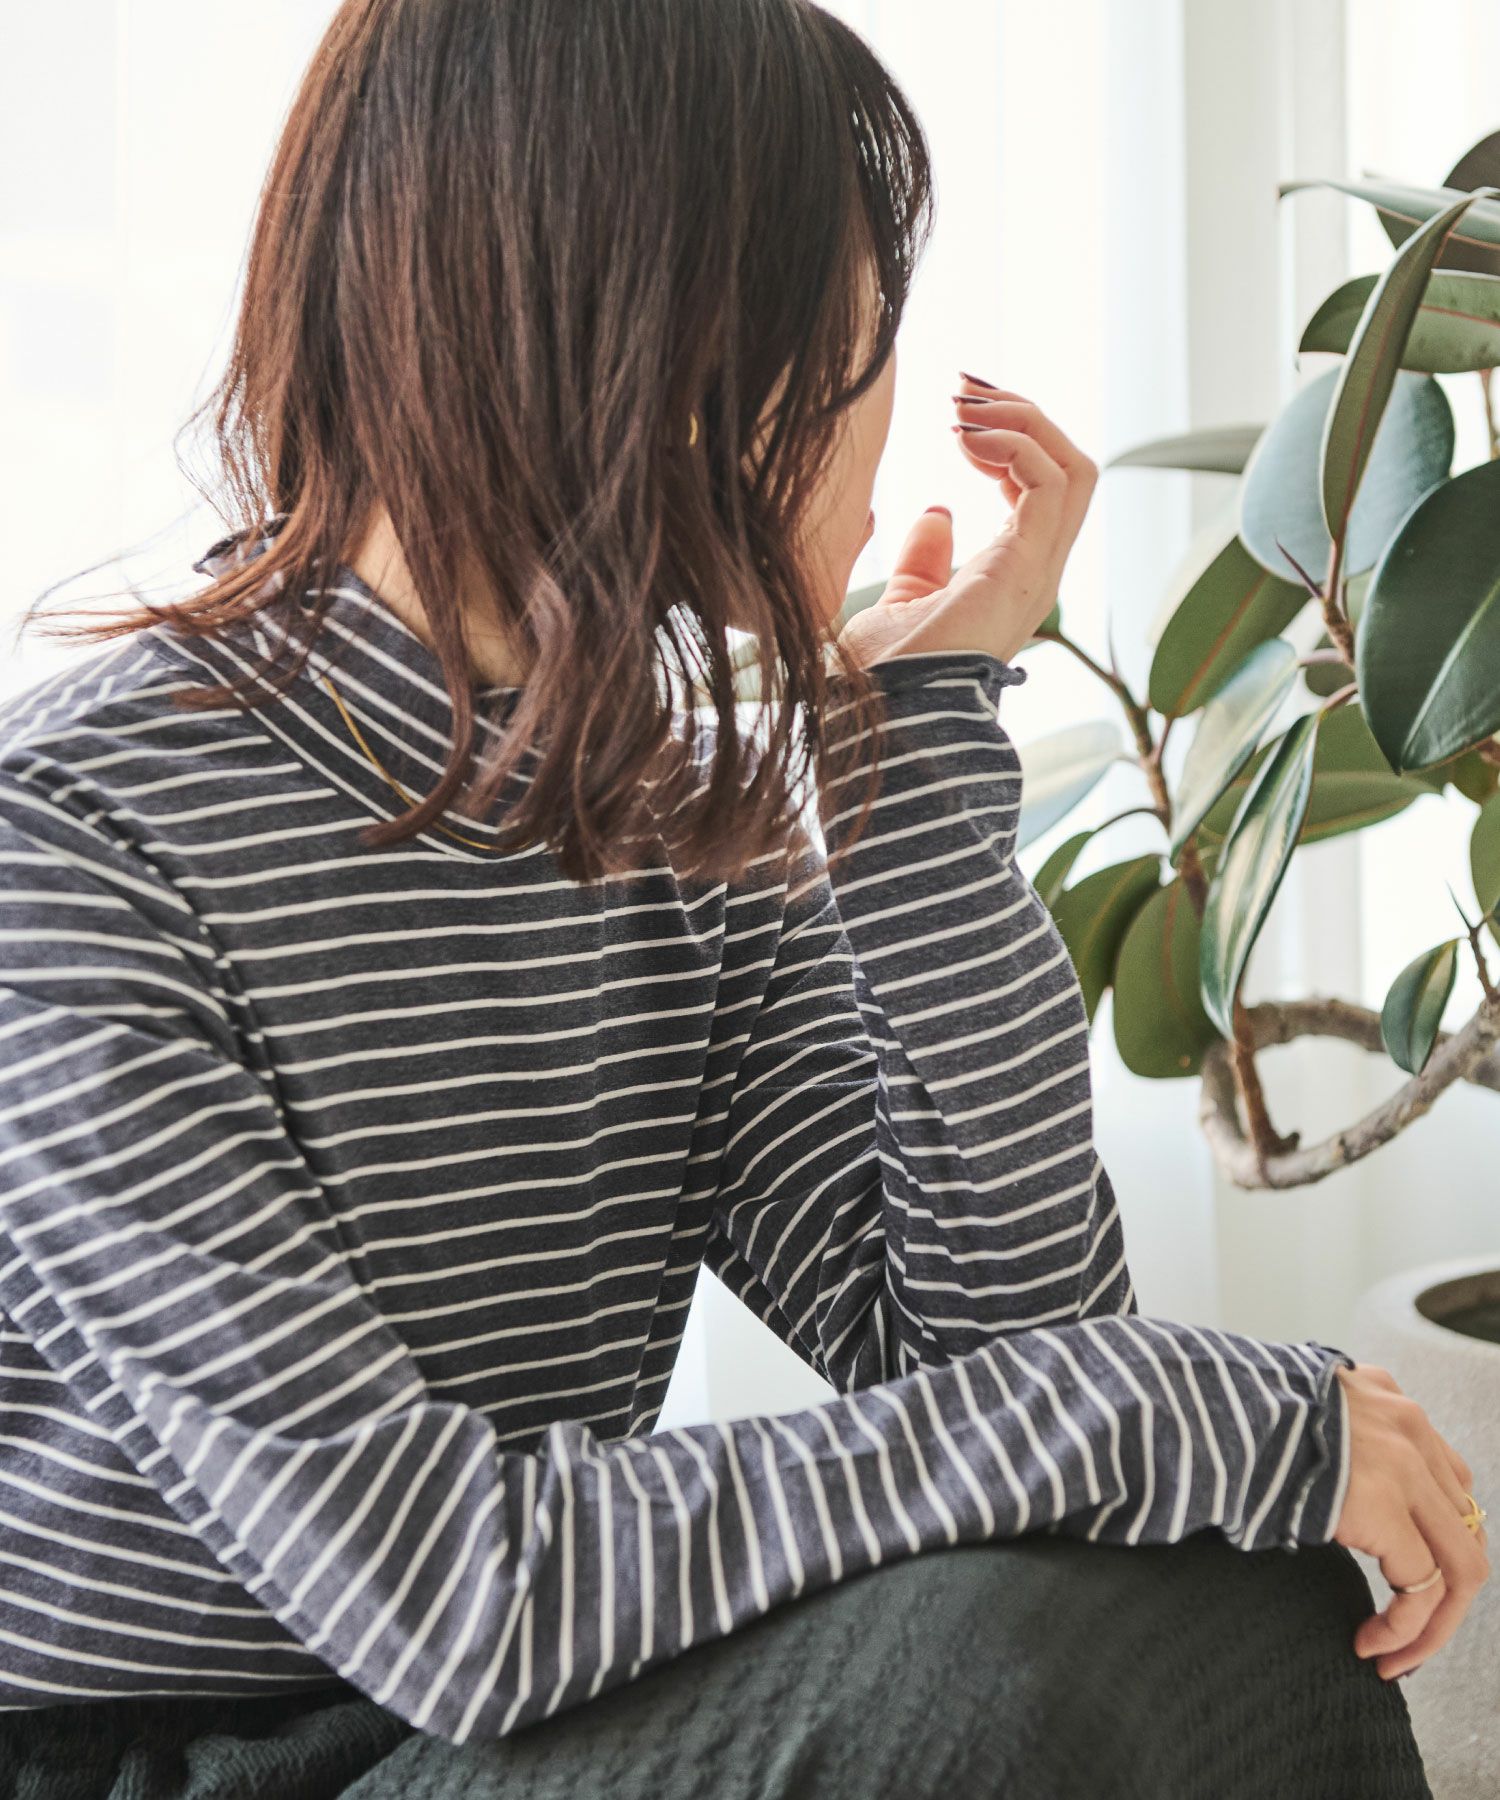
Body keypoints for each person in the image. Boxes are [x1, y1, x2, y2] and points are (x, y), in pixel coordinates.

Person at [0, 1, 1477, 1794]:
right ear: (674, 348)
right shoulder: (71, 840)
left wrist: (914, 755)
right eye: (856, 339)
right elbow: (452, 1593)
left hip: (512, 1710)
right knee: (1009, 1652)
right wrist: (1164, 1410)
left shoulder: (662, 817)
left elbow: (1004, 1363)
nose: (881, 419)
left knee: (1227, 1569)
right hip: (191, 1752)